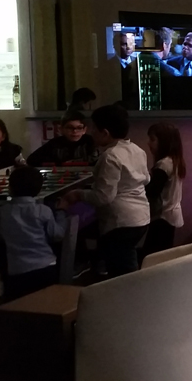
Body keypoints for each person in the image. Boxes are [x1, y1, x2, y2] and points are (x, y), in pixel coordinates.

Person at [62, 105, 149, 277]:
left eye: (94, 128)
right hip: (141, 217)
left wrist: (77, 195)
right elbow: (146, 179)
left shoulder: (110, 156)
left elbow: (103, 197)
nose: (91, 132)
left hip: (120, 221)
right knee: (128, 262)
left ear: (105, 133)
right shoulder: (137, 150)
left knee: (120, 273)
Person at [0, 166, 68, 300]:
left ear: (10, 188)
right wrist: (61, 212)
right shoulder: (43, 211)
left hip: (17, 272)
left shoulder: (1, 213)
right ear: (39, 189)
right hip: (46, 268)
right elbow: (57, 235)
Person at [141, 123, 185, 258]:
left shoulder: (163, 165)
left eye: (152, 139)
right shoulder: (175, 161)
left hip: (162, 216)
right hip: (171, 214)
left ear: (164, 142)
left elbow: (152, 191)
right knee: (162, 252)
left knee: (152, 254)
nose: (148, 143)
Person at [26, 111, 99, 167]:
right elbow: (32, 160)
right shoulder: (54, 143)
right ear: (61, 129)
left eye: (79, 128)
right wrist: (58, 163)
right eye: (70, 127)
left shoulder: (91, 141)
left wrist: (71, 162)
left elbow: (96, 159)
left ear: (84, 130)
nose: (75, 131)